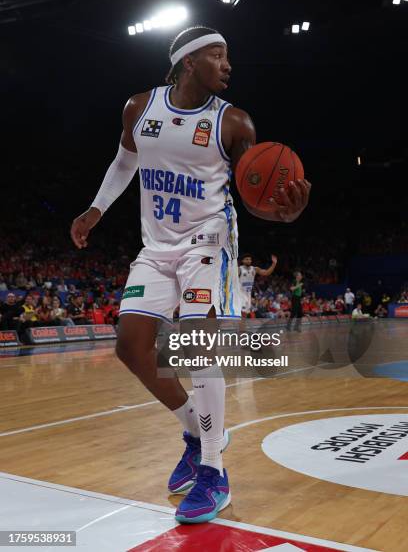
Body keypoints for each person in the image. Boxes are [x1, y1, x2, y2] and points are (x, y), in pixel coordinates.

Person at [70, 26, 311, 523]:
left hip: (210, 242)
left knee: (197, 344)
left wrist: (283, 216)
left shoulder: (234, 124)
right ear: (187, 62)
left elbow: (255, 196)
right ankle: (198, 431)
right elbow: (123, 162)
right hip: (156, 246)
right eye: (217, 55)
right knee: (131, 346)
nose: (227, 65)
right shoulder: (140, 108)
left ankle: (213, 470)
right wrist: (95, 209)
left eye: (228, 56)